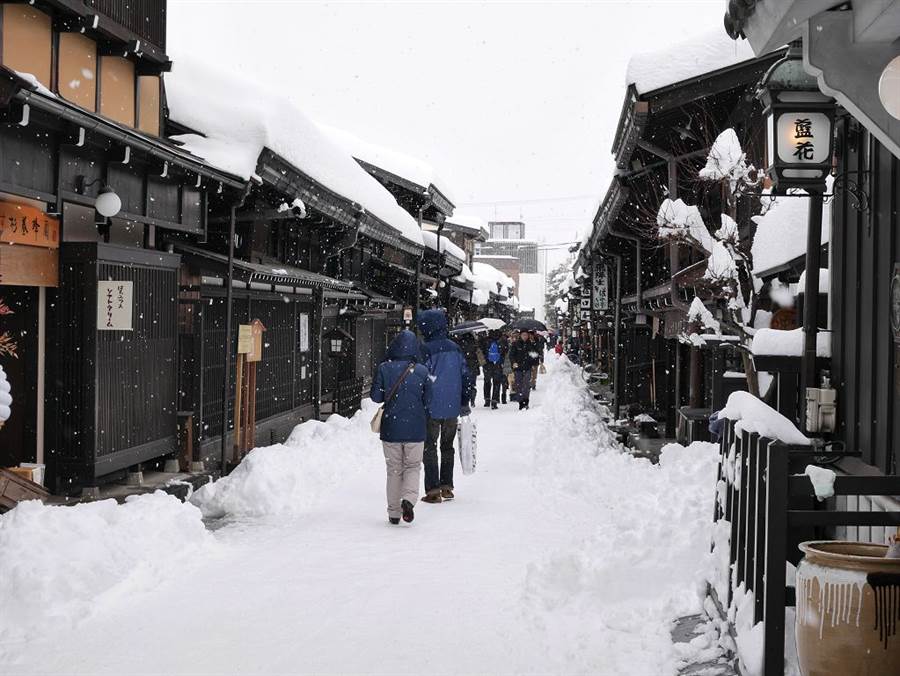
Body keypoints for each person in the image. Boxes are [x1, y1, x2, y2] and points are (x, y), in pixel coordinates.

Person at [370, 329, 433, 525]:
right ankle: (408, 500)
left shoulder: (384, 368)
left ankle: (394, 513)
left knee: (394, 470)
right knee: (413, 467)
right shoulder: (422, 371)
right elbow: (429, 401)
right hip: (415, 429)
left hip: (391, 428)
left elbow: (376, 397)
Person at [417, 308, 471, 503]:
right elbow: (466, 375)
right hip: (452, 405)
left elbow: (421, 376)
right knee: (447, 446)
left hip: (431, 405)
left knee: (429, 447)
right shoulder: (454, 348)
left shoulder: (424, 349)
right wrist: (465, 399)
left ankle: (433, 490)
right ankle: (447, 486)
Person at [509, 329, 540, 410]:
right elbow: (511, 355)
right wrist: (513, 362)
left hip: (527, 367)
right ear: (520, 335)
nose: (525, 336)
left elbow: (535, 355)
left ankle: (526, 401)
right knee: (518, 385)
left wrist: (534, 364)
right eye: (523, 335)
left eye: (526, 335)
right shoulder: (515, 344)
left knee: (526, 385)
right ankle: (520, 402)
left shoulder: (531, 345)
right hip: (518, 368)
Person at [478, 329, 506, 409]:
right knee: (497, 382)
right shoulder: (502, 340)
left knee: (487, 381)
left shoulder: (485, 340)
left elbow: (480, 350)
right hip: (498, 364)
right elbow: (505, 351)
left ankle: (487, 400)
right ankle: (494, 401)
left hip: (487, 364)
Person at [456, 332, 480, 408]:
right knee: (472, 385)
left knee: (464, 384)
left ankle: (464, 400)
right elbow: (478, 356)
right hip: (473, 366)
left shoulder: (459, 343)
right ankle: (472, 399)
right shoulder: (474, 343)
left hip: (463, 366)